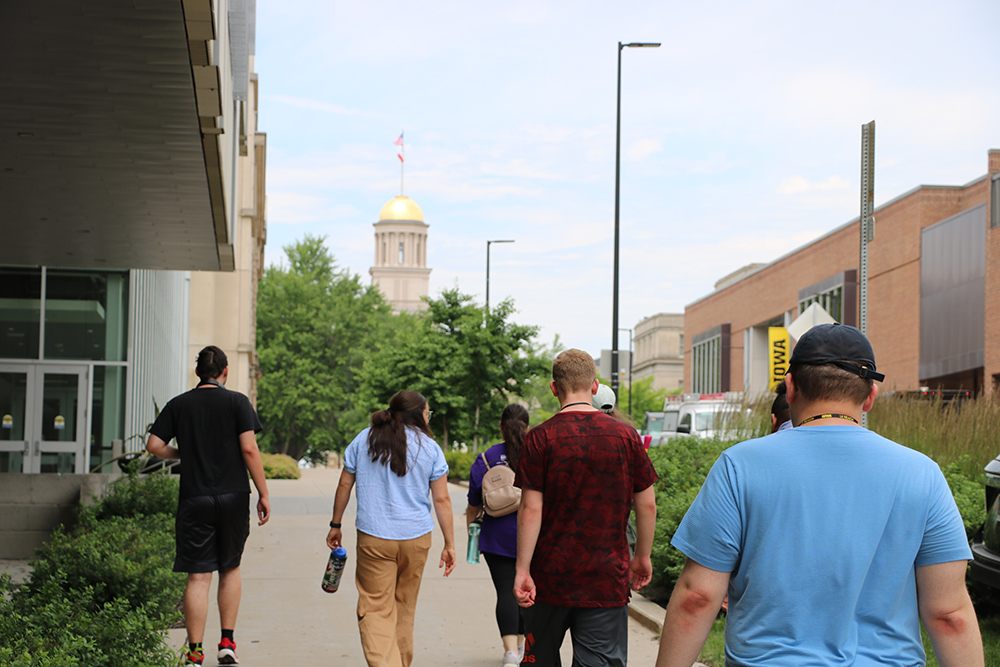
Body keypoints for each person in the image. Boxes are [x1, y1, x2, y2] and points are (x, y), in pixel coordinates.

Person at [655, 323, 984, 667]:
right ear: (870, 395)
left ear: (791, 387)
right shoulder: (922, 473)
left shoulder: (739, 466)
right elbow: (949, 614)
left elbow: (697, 597)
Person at [514, 349, 657, 667]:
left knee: (540, 660)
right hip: (605, 578)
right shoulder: (625, 437)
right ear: (594, 386)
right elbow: (646, 503)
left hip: (548, 577)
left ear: (554, 388)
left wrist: (522, 570)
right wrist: (642, 556)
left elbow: (530, 510)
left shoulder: (540, 439)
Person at [145, 345, 271, 667]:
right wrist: (263, 493)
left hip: (194, 497)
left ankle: (194, 653)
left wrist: (182, 454)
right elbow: (250, 450)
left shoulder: (179, 405)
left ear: (198, 372)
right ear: (225, 372)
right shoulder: (237, 402)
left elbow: (153, 445)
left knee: (198, 576)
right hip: (232, 496)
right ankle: (227, 643)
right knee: (230, 568)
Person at [326, 390, 456, 667]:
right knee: (404, 608)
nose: (428, 417)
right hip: (417, 539)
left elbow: (344, 485)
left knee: (375, 608)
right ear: (418, 415)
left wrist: (336, 524)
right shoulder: (430, 448)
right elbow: (442, 499)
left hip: (375, 538)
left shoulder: (365, 439)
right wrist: (450, 544)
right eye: (427, 413)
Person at [466, 404, 531, 667]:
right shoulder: (537, 454)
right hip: (533, 536)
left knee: (505, 591)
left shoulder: (485, 458)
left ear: (501, 427)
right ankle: (522, 645)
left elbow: (473, 503)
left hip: (497, 538)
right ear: (527, 426)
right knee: (527, 593)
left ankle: (510, 654)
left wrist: (472, 534)